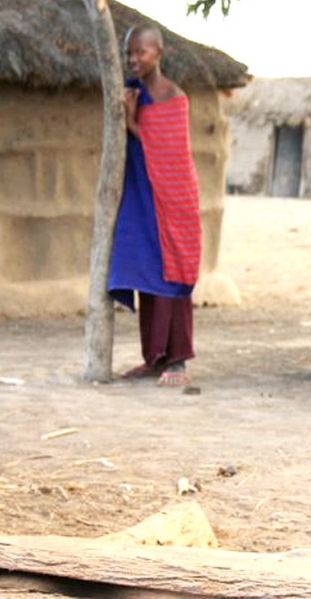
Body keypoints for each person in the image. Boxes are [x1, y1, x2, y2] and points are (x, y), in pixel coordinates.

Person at [109, 25, 201, 388]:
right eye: (129, 53)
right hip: (139, 196)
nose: (133, 59)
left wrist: (132, 124)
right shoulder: (132, 92)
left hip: (171, 199)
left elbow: (170, 155)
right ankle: (153, 358)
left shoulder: (172, 97)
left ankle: (176, 361)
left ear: (157, 54)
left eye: (140, 52)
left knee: (169, 273)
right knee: (143, 270)